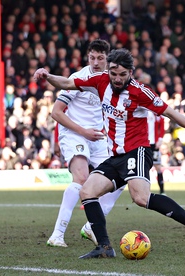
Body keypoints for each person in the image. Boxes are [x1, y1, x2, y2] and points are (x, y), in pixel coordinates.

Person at [34, 48, 185, 259]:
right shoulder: (99, 81)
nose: (117, 78)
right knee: (87, 192)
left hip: (137, 151)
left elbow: (170, 113)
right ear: (109, 70)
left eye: (123, 74)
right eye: (113, 73)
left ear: (131, 72)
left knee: (140, 198)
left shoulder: (141, 92)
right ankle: (104, 248)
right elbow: (67, 83)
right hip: (115, 156)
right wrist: (47, 76)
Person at [47, 39, 123, 247]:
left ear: (108, 59)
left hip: (97, 137)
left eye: (100, 58)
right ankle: (57, 234)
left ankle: (90, 227)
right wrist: (83, 132)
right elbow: (56, 112)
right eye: (92, 58)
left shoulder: (111, 80)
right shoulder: (78, 78)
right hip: (74, 132)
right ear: (87, 57)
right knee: (81, 178)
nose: (96, 62)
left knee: (121, 178)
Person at [147, 110, 166, 194]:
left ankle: (162, 191)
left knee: (158, 166)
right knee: (145, 168)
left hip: (154, 144)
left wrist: (160, 139)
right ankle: (145, 190)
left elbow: (161, 126)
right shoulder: (142, 112)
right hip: (144, 143)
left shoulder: (157, 114)